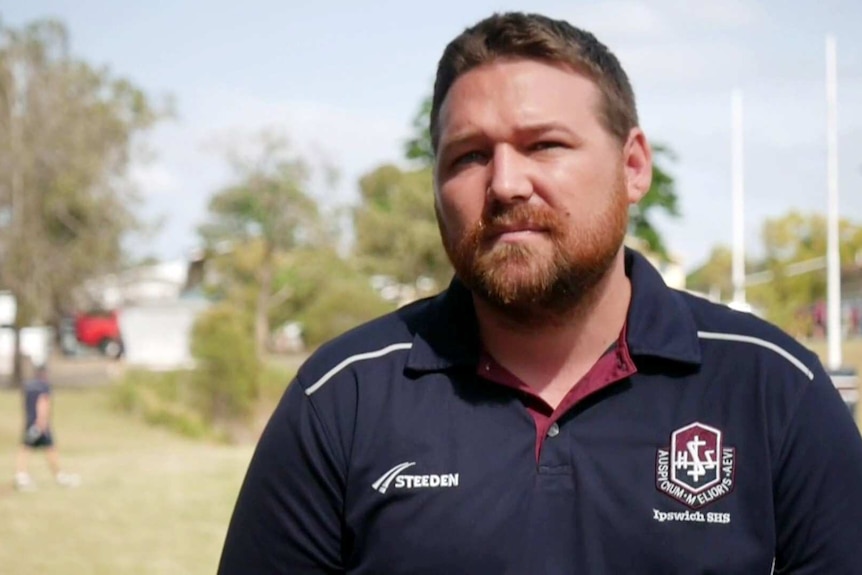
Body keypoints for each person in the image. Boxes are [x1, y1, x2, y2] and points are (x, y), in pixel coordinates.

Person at [218, 12, 862, 574]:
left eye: (544, 145)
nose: (505, 184)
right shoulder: (343, 397)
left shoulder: (773, 386)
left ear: (633, 166)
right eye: (468, 156)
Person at [14, 364, 80, 490]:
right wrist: (41, 422)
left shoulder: (28, 386)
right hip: (40, 423)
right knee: (48, 448)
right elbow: (43, 402)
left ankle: (22, 474)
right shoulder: (44, 387)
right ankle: (58, 475)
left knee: (27, 448)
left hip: (29, 422)